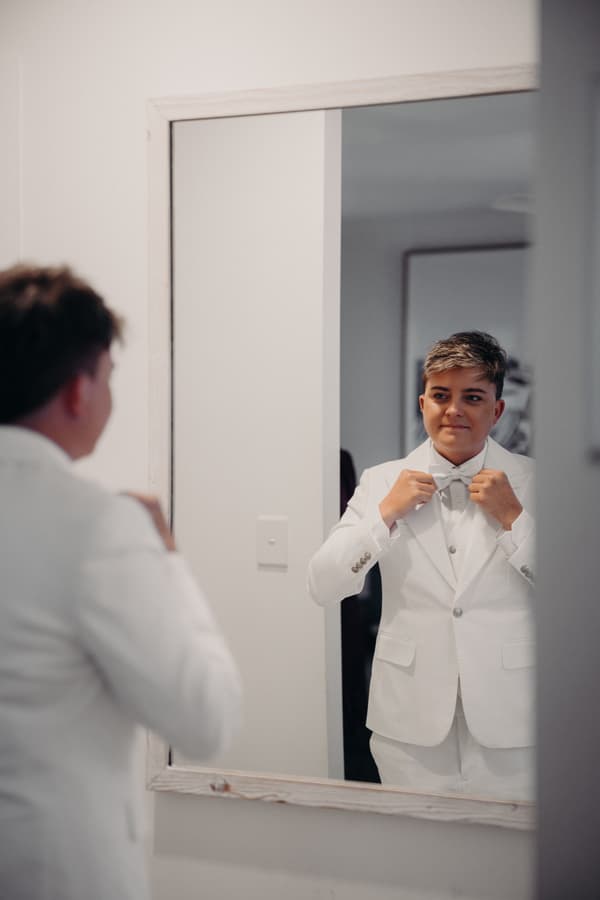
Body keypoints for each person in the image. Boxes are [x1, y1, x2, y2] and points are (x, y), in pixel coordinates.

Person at [0, 264, 242, 900]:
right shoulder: (98, 526)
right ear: (79, 392)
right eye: (109, 377)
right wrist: (166, 557)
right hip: (55, 872)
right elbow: (206, 721)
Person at [308, 331, 535, 799]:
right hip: (408, 724)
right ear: (423, 402)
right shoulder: (380, 482)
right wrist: (384, 515)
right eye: (441, 395)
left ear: (496, 410)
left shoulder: (537, 483)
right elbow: (323, 584)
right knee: (413, 858)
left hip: (513, 723)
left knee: (508, 864)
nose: (454, 410)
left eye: (472, 397)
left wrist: (515, 518)